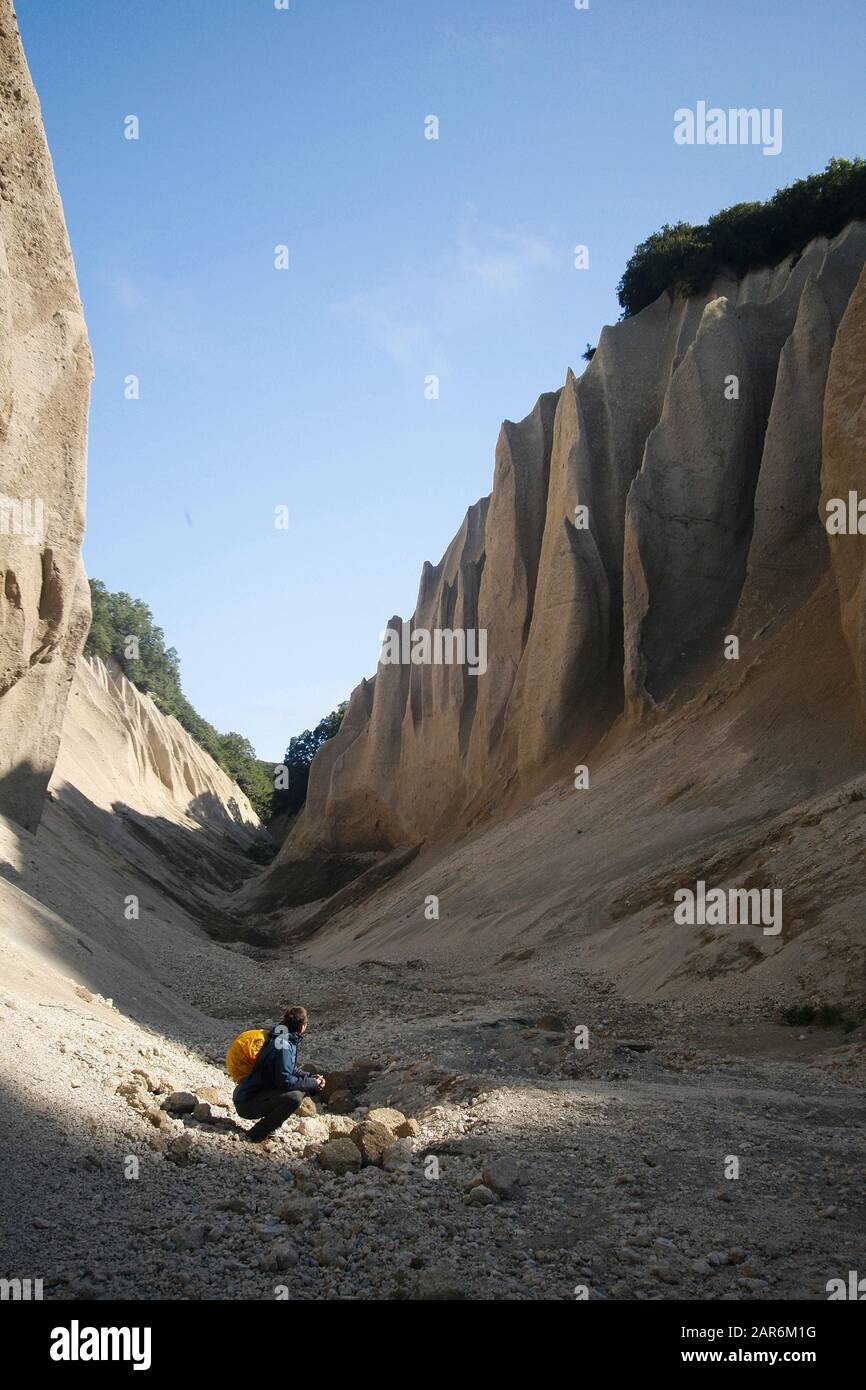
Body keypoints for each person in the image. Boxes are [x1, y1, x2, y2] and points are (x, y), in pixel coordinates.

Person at [233, 1004, 324, 1147]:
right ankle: (257, 1134)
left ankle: (269, 1129)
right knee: (295, 1097)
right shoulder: (284, 1045)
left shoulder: (282, 1035)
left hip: (248, 1095)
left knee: (301, 1086)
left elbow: (288, 1069)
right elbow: (285, 1080)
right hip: (247, 1103)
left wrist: (310, 1078)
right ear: (302, 1027)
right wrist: (312, 1083)